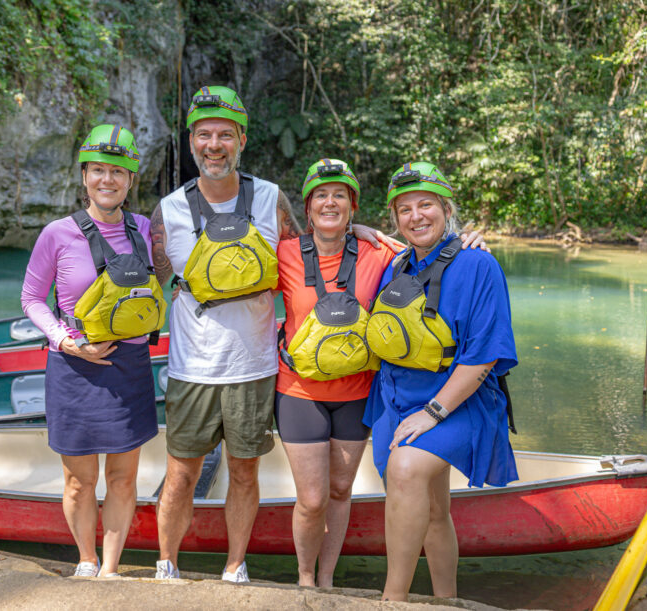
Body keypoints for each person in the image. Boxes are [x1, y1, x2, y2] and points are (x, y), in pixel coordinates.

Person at [147, 86, 402, 583]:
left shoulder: (269, 199)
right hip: (191, 366)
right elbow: (143, 282)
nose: (214, 144)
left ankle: (235, 565)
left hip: (257, 365)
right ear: (191, 142)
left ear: (241, 140)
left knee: (244, 470)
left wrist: (361, 230)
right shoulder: (169, 210)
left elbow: (312, 253)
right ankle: (167, 565)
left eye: (225, 134)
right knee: (181, 472)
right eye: (204, 134)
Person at [276, 158, 488, 588]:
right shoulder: (284, 253)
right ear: (308, 205)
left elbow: (432, 252)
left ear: (354, 206)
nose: (329, 202)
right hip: (299, 389)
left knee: (340, 491)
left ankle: (330, 581)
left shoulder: (383, 254)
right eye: (321, 195)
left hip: (359, 392)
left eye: (340, 195)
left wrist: (470, 242)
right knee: (312, 499)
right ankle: (304, 580)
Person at [363, 161, 518, 601]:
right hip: (397, 398)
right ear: (394, 219)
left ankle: (392, 600)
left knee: (407, 468)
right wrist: (357, 229)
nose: (416, 216)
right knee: (433, 508)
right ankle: (446, 601)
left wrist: (433, 414)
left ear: (447, 209)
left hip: (460, 402)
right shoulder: (396, 266)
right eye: (404, 209)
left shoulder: (477, 265)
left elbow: (483, 357)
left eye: (426, 204)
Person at [20, 124, 161, 578]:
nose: (107, 180)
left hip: (130, 366)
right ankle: (86, 560)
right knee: (80, 482)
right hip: (73, 367)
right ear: (84, 177)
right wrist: (67, 341)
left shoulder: (143, 229)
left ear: (131, 180)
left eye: (118, 172)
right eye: (98, 170)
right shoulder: (57, 234)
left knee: (122, 478)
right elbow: (31, 299)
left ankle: (111, 570)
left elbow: (175, 276)